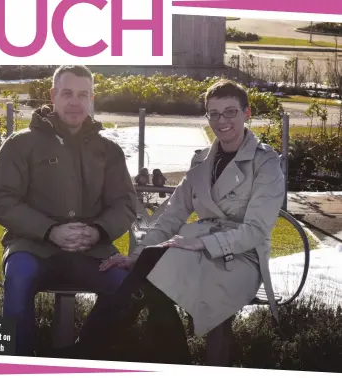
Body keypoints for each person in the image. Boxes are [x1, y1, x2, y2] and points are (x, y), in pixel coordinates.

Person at [67, 79, 285, 364]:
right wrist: (136, 255)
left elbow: (255, 231)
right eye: (214, 114)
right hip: (196, 253)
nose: (222, 121)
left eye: (230, 112)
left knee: (151, 274)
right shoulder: (202, 162)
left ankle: (88, 348)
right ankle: (165, 359)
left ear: (247, 113)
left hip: (242, 258)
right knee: (151, 272)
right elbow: (172, 214)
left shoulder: (266, 163)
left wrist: (199, 243)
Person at [0, 65, 139, 357]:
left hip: (93, 251)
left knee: (124, 286)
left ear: (91, 98)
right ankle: (19, 363)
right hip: (31, 247)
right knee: (18, 278)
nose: (75, 102)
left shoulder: (108, 150)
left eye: (83, 94)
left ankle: (80, 357)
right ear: (53, 95)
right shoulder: (21, 144)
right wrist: (49, 230)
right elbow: (2, 198)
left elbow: (124, 203)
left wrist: (98, 231)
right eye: (67, 93)